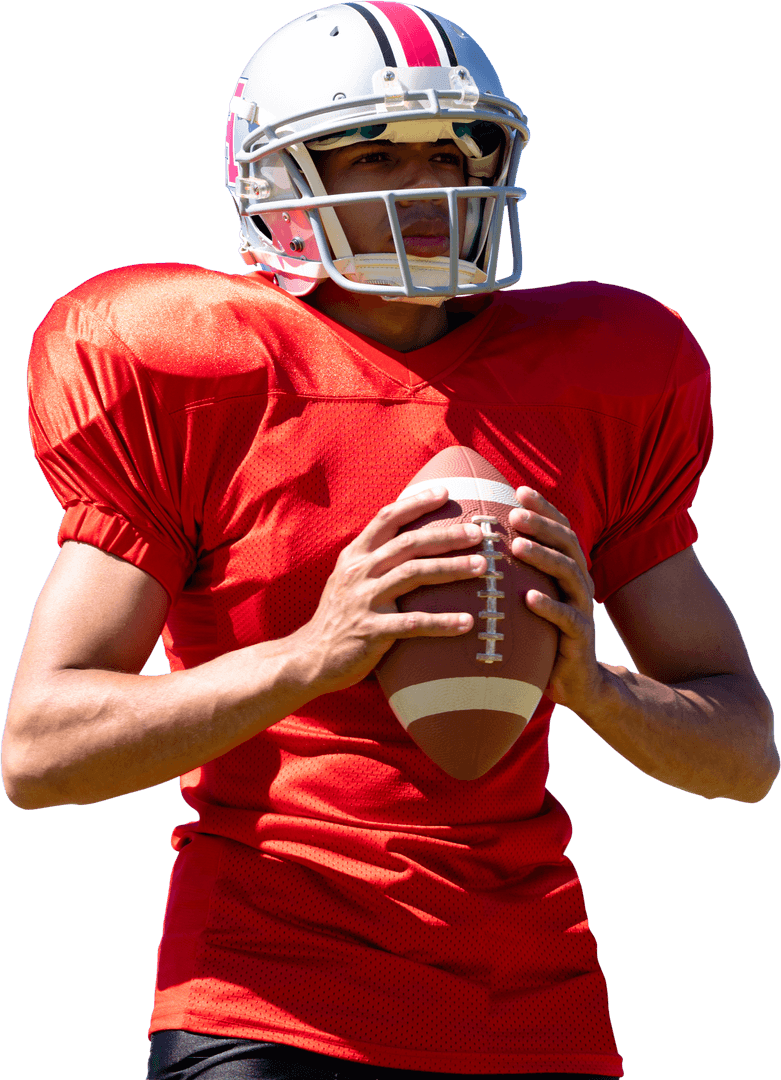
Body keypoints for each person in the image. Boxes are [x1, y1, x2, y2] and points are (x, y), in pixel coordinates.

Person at [2, 3, 777, 1079]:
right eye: (374, 153)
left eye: (451, 150)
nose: (424, 185)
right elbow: (40, 751)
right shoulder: (191, 368)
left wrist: (597, 689)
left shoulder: (607, 375)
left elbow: (744, 754)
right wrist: (318, 652)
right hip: (270, 999)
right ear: (277, 181)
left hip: (537, 1005)